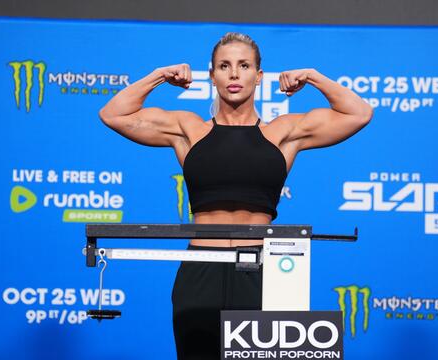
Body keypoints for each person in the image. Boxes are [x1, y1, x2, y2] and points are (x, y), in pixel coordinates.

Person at [99, 32, 373, 359]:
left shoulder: (282, 133)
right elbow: (113, 114)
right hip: (201, 269)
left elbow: (358, 113)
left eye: (244, 66)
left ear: (259, 77)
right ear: (212, 75)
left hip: (265, 270)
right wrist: (160, 75)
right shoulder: (189, 130)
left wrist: (312, 76)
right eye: (224, 66)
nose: (233, 74)